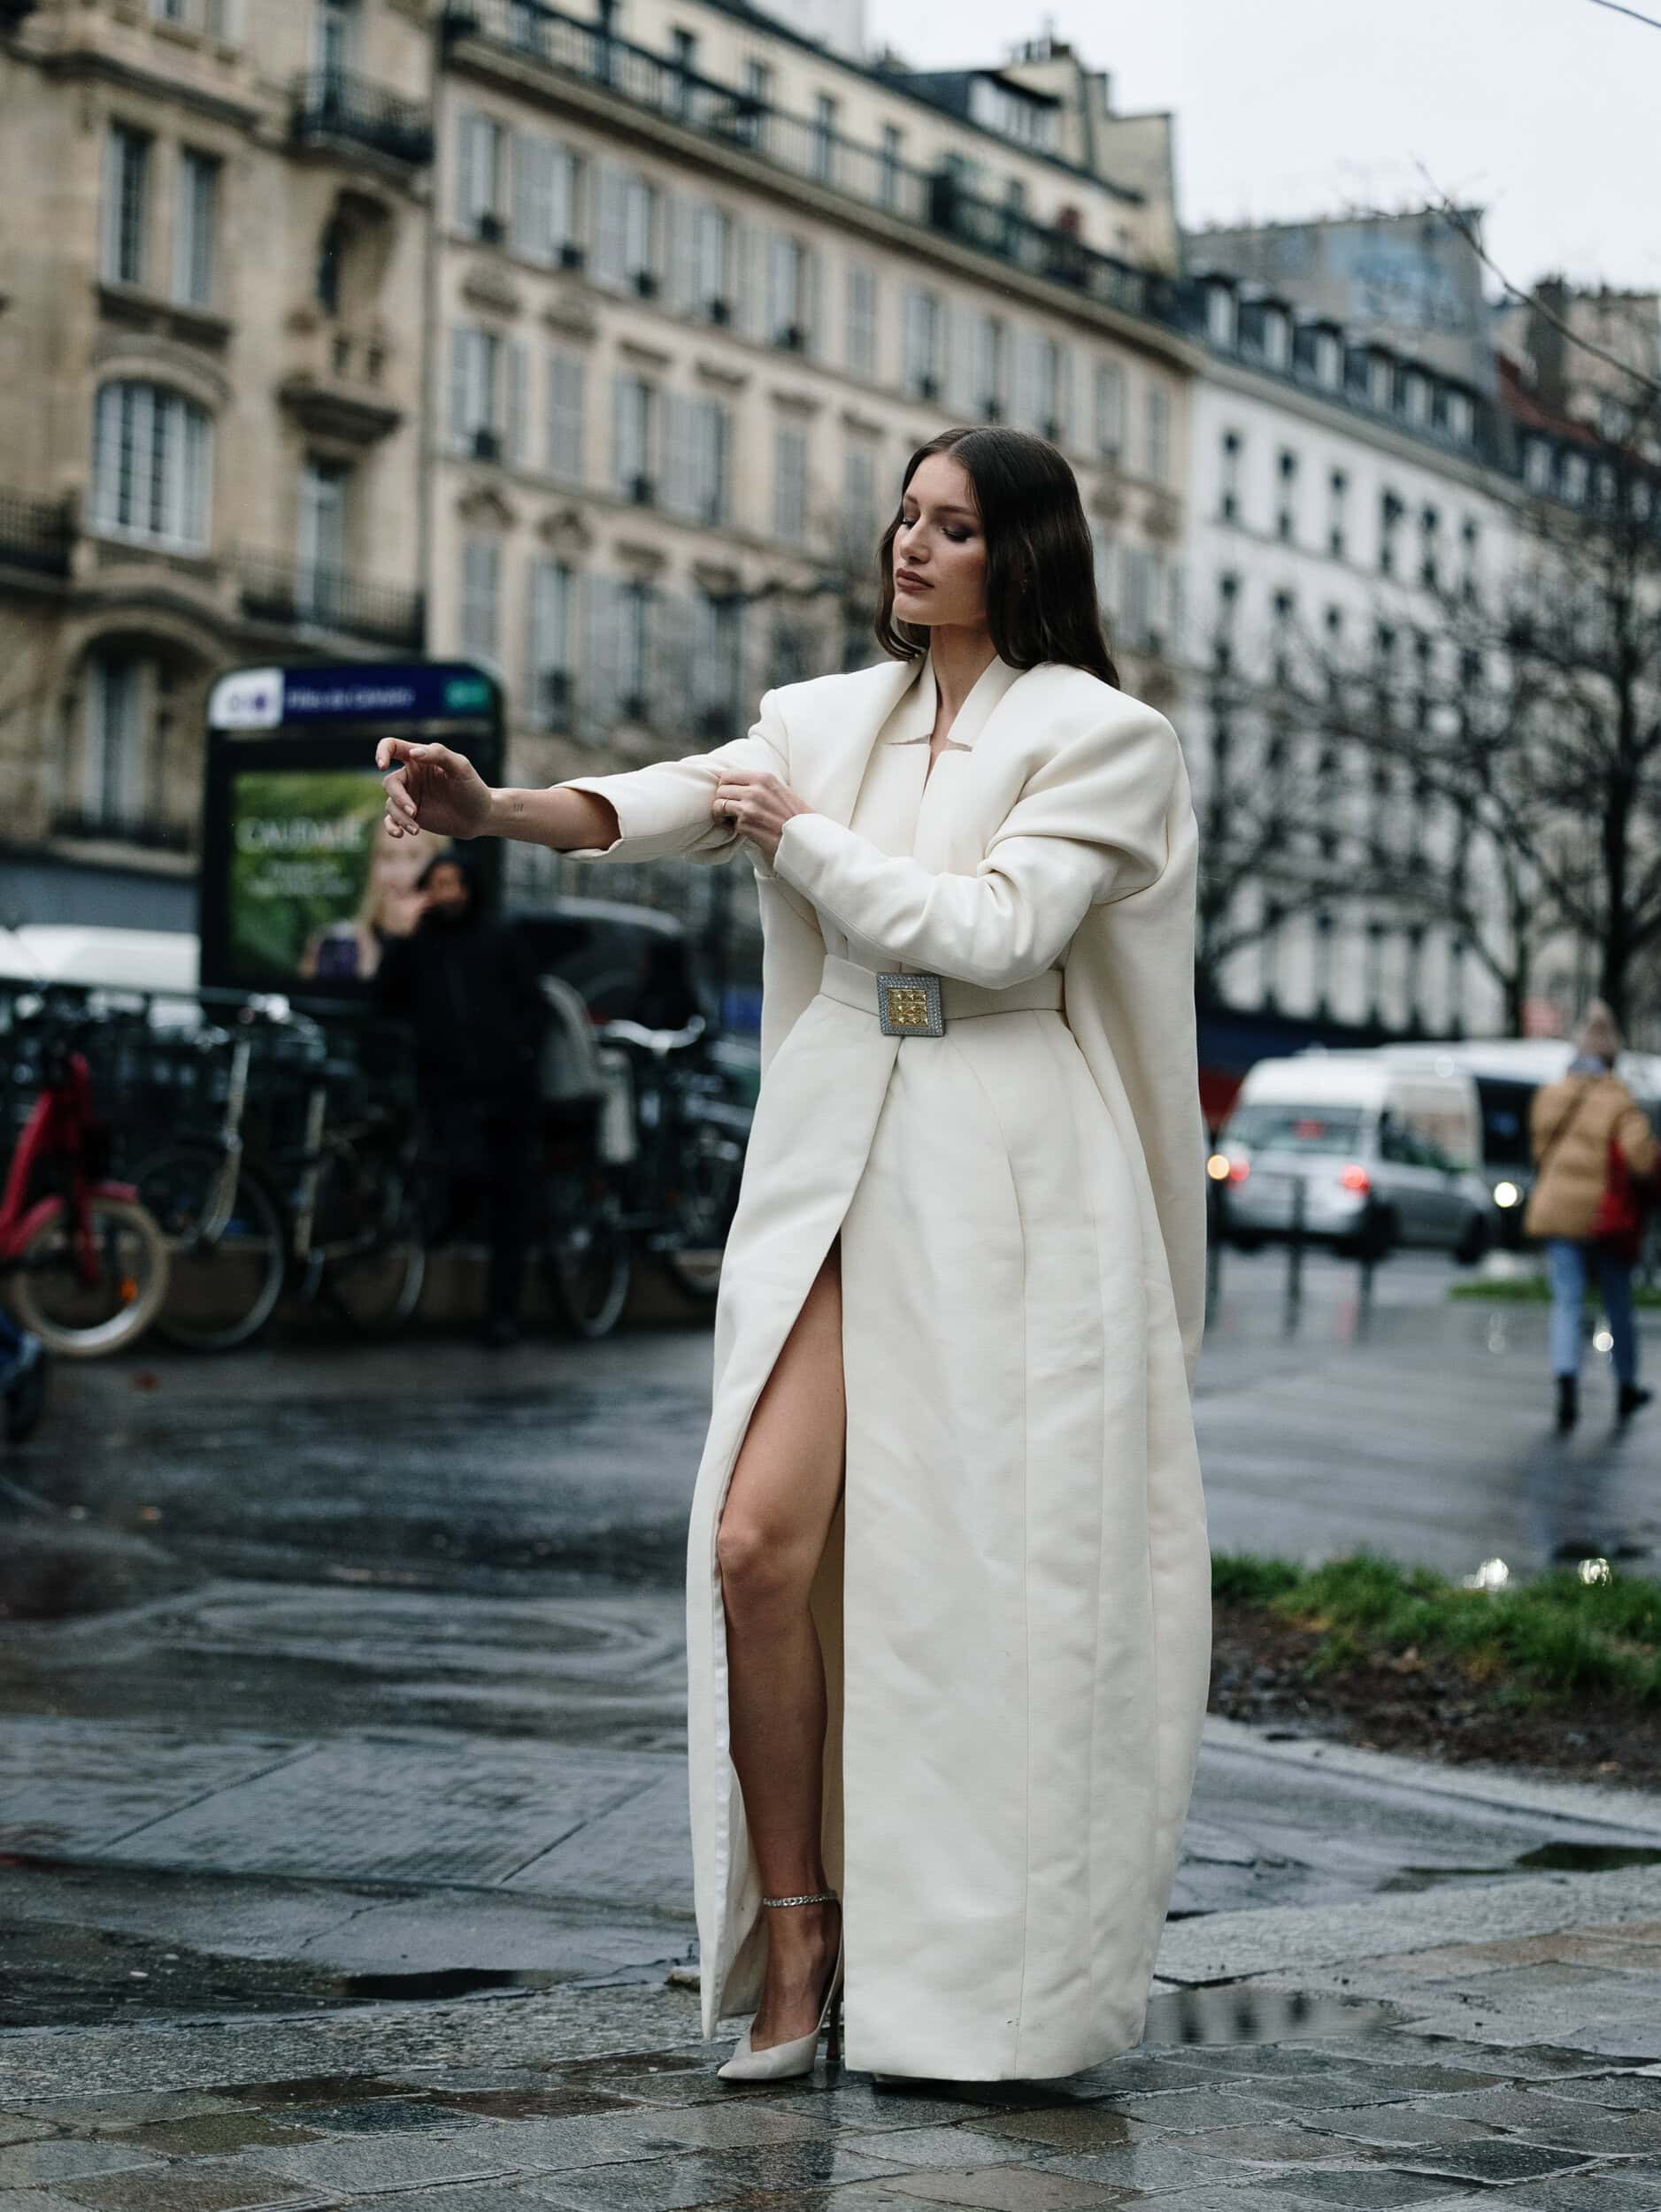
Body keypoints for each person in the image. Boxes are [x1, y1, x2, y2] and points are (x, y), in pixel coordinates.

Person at [378, 427, 1210, 2085]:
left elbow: (1001, 933)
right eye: (905, 516)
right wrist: (496, 811)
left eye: (951, 526)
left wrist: (800, 838)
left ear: (1021, 553)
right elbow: (669, 800)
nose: (910, 545)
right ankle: (799, 1935)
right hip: (833, 1131)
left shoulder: (1105, 739)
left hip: (1007, 1158)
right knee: (758, 1545)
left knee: (987, 1578)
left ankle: (984, 1985)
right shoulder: (822, 718)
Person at [373, 852, 547, 1348]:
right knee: (465, 1171)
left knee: (511, 1205)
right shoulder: (418, 944)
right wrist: (401, 937)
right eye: (438, 883)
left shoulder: (500, 939)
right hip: (448, 1088)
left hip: (509, 1090)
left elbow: (532, 1005)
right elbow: (384, 999)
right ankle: (450, 1225)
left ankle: (502, 1315)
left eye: (454, 883)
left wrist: (520, 1052)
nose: (447, 893)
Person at [1525, 1000, 1658, 1432]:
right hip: (1604, 1216)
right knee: (1617, 1303)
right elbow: (1642, 1161)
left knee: (1567, 1301)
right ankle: (1625, 1386)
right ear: (1612, 1056)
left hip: (1558, 1211)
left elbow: (1538, 1150)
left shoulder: (1552, 1095)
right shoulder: (1619, 1102)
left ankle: (1566, 1387)